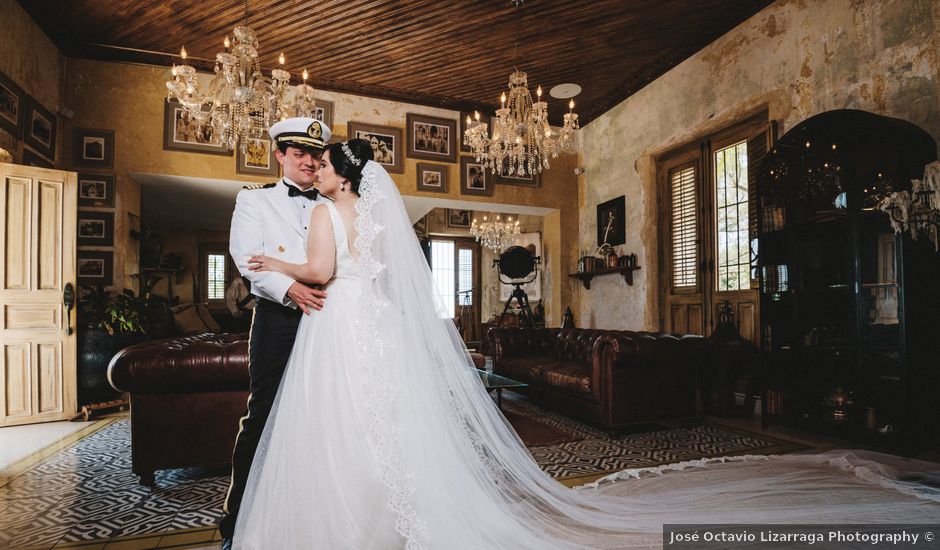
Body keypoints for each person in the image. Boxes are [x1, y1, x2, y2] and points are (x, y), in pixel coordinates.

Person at [235, 140, 940, 549]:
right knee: (380, 416)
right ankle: (394, 514)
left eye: (322, 163)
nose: (314, 168)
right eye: (308, 161)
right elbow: (382, 274)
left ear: (341, 173)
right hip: (371, 322)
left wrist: (277, 264)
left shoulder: (328, 211)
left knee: (342, 421)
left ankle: (353, 519)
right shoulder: (379, 217)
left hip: (341, 319)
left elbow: (324, 271)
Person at [219, 117, 333, 549]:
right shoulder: (255, 200)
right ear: (280, 155)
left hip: (328, 316)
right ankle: (238, 521)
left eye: (314, 154)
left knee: (325, 415)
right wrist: (292, 289)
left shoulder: (334, 201)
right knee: (264, 413)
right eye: (299, 153)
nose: (308, 161)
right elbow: (249, 260)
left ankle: (312, 516)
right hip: (279, 317)